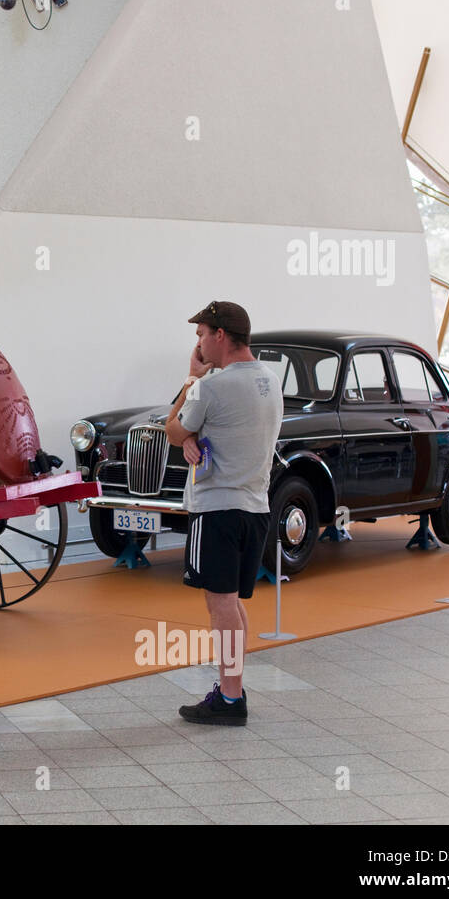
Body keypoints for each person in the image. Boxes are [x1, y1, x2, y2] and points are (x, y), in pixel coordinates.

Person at [164, 301, 282, 726]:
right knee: (232, 604)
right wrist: (199, 435)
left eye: (201, 333)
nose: (197, 342)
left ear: (220, 336)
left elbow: (173, 429)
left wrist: (191, 380)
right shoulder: (270, 381)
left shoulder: (211, 386)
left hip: (216, 508)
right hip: (255, 507)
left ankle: (231, 699)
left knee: (220, 606)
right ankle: (232, 689)